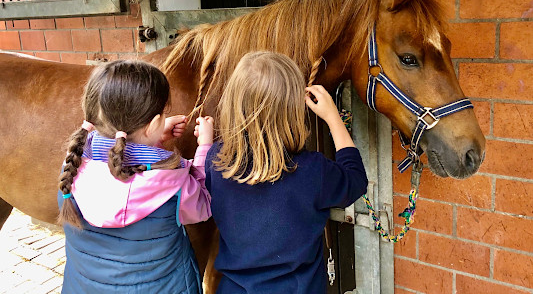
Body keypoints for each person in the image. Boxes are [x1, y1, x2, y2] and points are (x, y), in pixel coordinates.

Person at [205, 51, 368, 294]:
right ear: (292, 109)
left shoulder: (215, 160)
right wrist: (333, 118)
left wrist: (206, 146)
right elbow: (355, 180)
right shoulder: (313, 171)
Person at [57, 59, 213, 294]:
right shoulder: (173, 180)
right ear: (152, 124)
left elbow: (120, 157)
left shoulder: (74, 161)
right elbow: (202, 206)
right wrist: (205, 148)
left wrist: (154, 137)